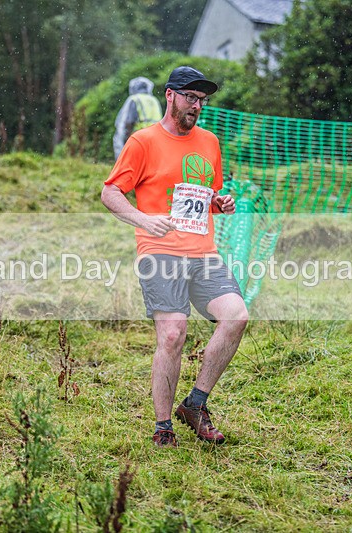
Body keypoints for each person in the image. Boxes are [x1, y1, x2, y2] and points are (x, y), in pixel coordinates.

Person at [101, 66, 249, 447]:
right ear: (170, 96)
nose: (196, 106)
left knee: (236, 317)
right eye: (190, 98)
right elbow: (111, 192)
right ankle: (163, 425)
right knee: (172, 334)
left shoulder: (210, 142)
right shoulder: (143, 141)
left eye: (201, 100)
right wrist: (142, 219)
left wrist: (221, 202)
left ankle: (194, 404)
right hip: (160, 253)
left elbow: (206, 196)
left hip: (203, 253)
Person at [113, 76, 163, 160]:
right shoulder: (154, 100)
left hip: (139, 138)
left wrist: (126, 142)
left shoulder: (134, 99)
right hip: (156, 139)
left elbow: (128, 122)